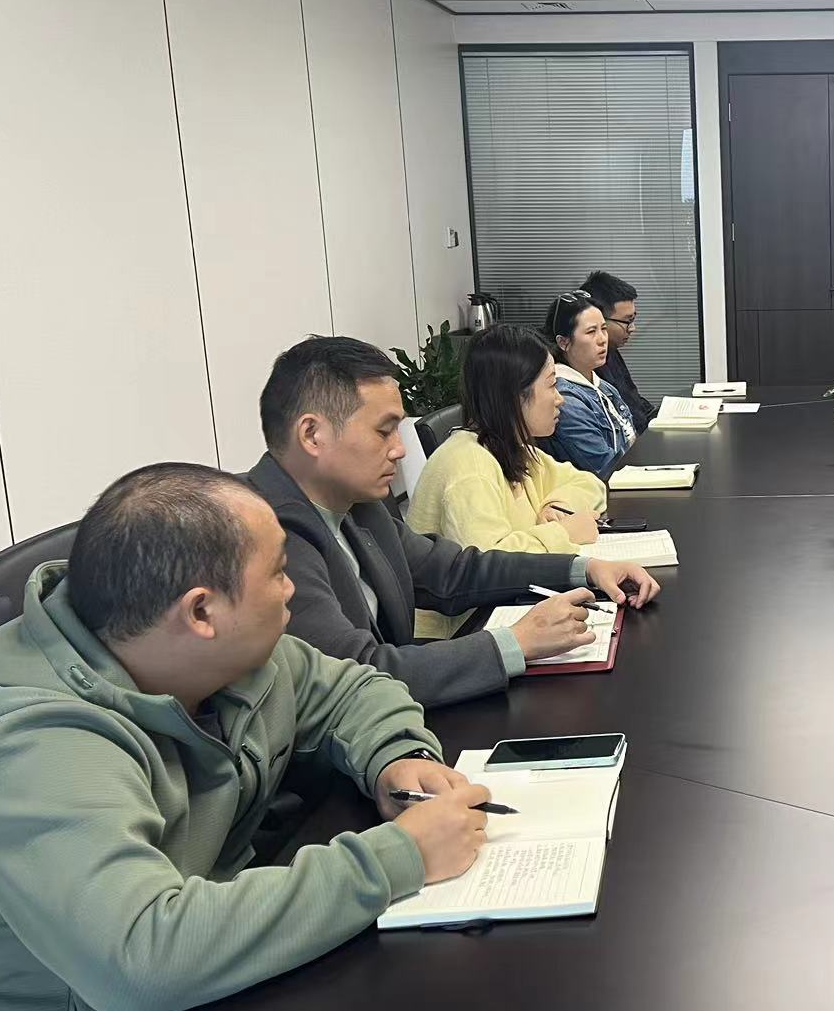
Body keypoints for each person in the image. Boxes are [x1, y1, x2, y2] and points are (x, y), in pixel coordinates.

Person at [0, 464, 494, 1011]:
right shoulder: (37, 742)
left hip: (215, 983)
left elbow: (351, 690)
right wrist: (401, 856)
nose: (292, 590)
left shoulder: (225, 654)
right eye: (277, 572)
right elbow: (142, 959)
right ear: (202, 611)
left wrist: (397, 757)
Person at [249, 336, 658, 708]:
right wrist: (514, 643)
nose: (399, 451)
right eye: (384, 432)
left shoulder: (357, 505)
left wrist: (583, 569)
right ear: (312, 435)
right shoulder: (263, 534)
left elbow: (453, 572)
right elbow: (355, 675)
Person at [409, 324, 608, 639]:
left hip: (508, 612)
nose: (560, 400)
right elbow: (489, 568)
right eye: (552, 386)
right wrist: (562, 533)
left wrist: (558, 506)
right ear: (515, 395)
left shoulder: (512, 446)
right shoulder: (469, 466)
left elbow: (588, 483)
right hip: (459, 636)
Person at [539, 289, 637, 477]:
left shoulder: (599, 383)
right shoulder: (566, 399)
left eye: (604, 329)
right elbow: (606, 467)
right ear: (563, 342)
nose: (602, 339)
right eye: (591, 332)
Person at [582, 269, 656, 434]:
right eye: (627, 321)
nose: (632, 328)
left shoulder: (611, 350)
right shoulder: (586, 364)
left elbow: (633, 400)